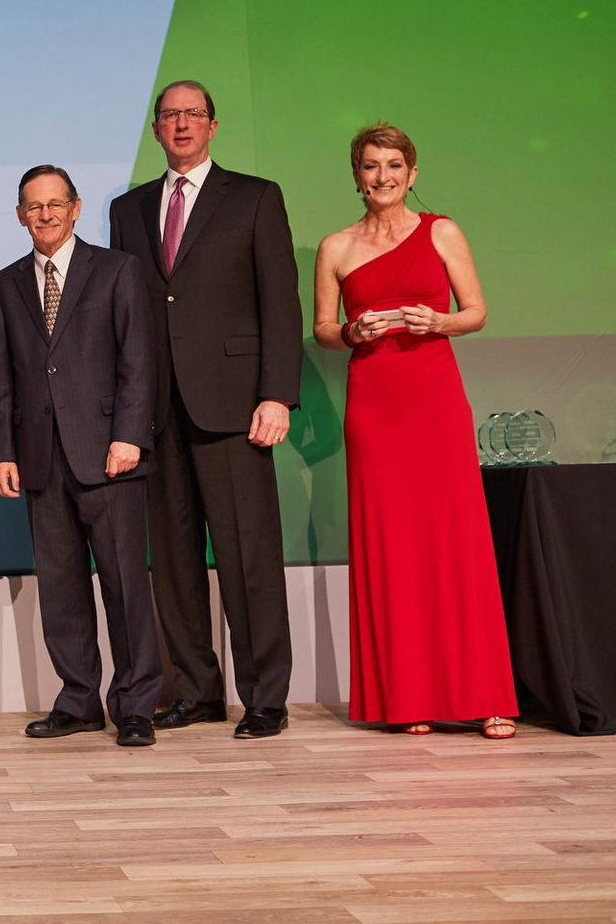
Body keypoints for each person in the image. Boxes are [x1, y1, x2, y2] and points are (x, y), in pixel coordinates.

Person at [108, 81, 301, 739]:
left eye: (193, 114)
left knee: (249, 559)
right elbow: (129, 314)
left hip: (235, 408)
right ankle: (196, 690)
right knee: (174, 564)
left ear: (212, 126)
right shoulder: (129, 209)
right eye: (170, 115)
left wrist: (276, 393)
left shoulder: (254, 197)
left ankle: (266, 697)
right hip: (157, 414)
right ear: (156, 130)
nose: (182, 123)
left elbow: (280, 303)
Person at [312, 123, 517, 738]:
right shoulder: (336, 247)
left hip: (434, 396)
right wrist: (352, 332)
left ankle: (486, 696)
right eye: (371, 166)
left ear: (412, 173)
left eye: (394, 165)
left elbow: (477, 311)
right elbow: (323, 328)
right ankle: (408, 699)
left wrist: (439, 322)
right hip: (374, 403)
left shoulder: (441, 231)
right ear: (357, 176)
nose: (383, 176)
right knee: (392, 544)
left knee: (457, 540)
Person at [0, 165, 162, 748]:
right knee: (61, 588)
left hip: (110, 454)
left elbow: (139, 359)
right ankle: (79, 700)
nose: (46, 215)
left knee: (124, 585)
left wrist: (129, 435)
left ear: (76, 208)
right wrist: (3, 451)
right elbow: (3, 378)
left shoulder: (117, 270)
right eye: (34, 207)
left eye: (55, 204)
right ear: (20, 215)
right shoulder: (4, 284)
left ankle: (135, 705)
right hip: (41, 458)